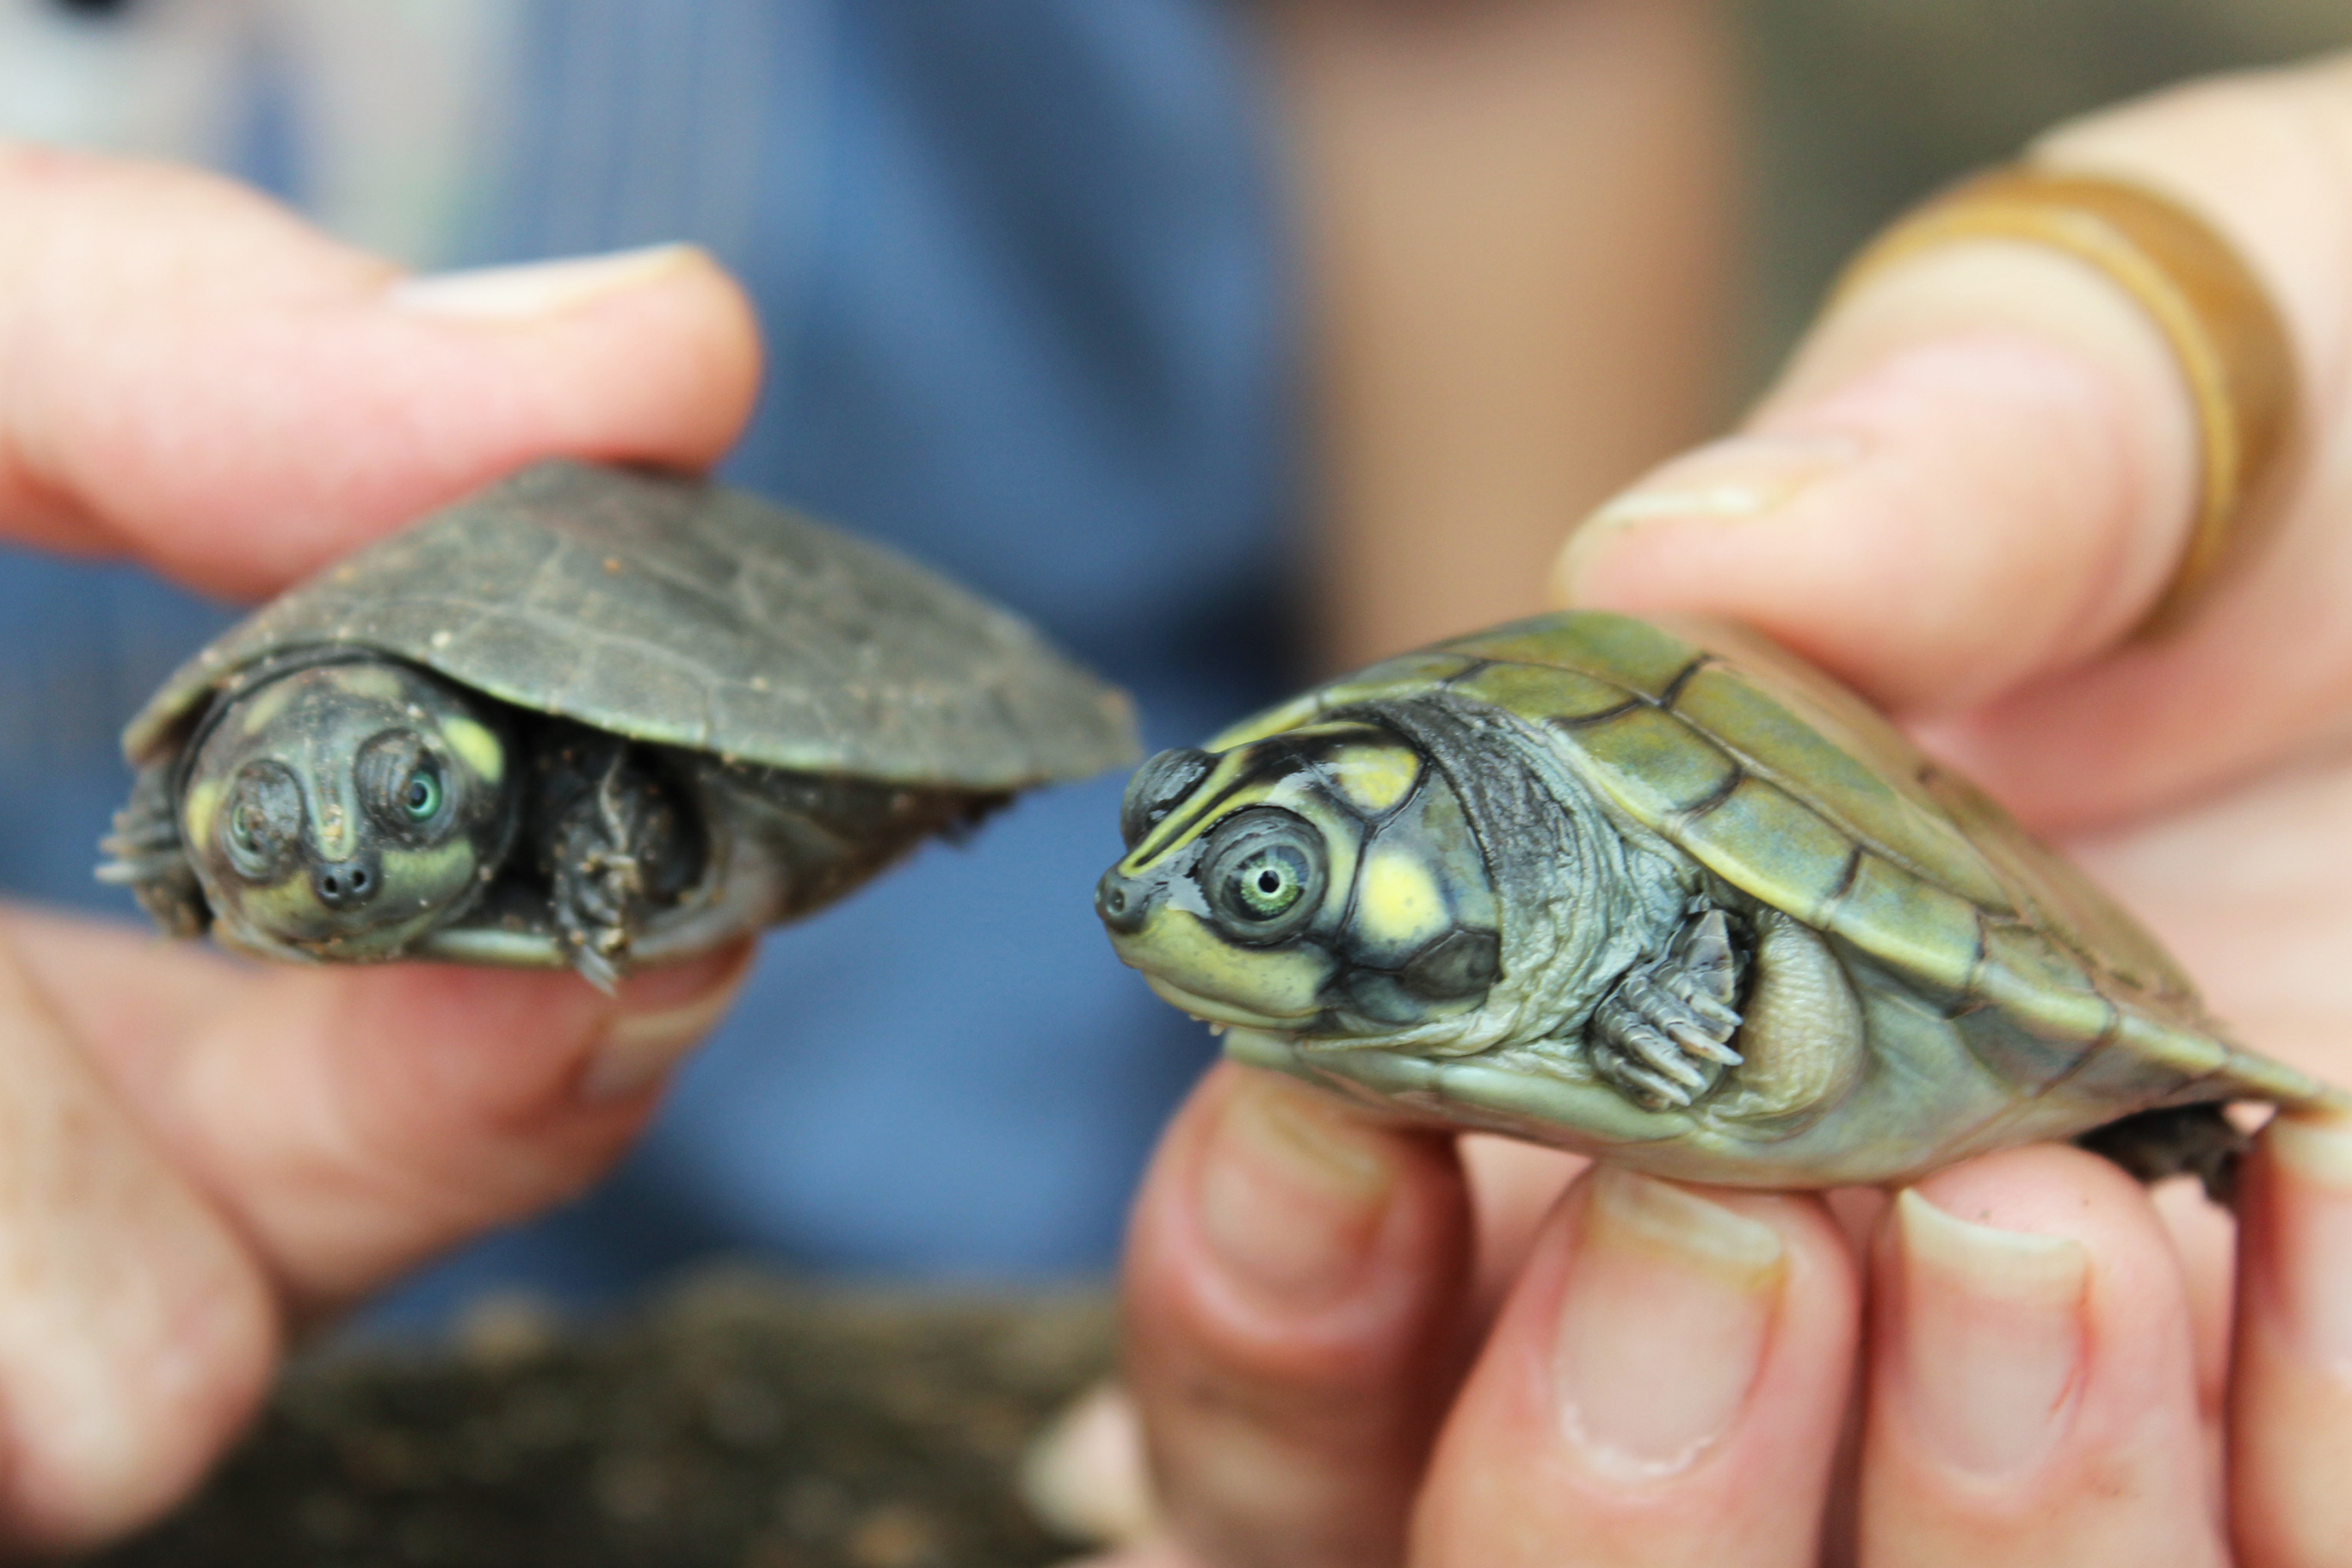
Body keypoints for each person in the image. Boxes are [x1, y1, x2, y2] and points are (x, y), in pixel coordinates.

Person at [0, 6, 2347, 1565]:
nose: (1182, 891)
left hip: (1033, 1175)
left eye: (1237, 862)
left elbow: (1475, 56)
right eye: (1189, 865)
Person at [1095, 50, 2352, 1568]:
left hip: (1957, 965)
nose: (1146, 906)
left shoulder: (1595, 842)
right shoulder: (1404, 911)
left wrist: (1670, 977)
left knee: (2034, 1231)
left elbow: (1805, 1026)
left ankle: (2147, 1122)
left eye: (1268, 887)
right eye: (1178, 844)